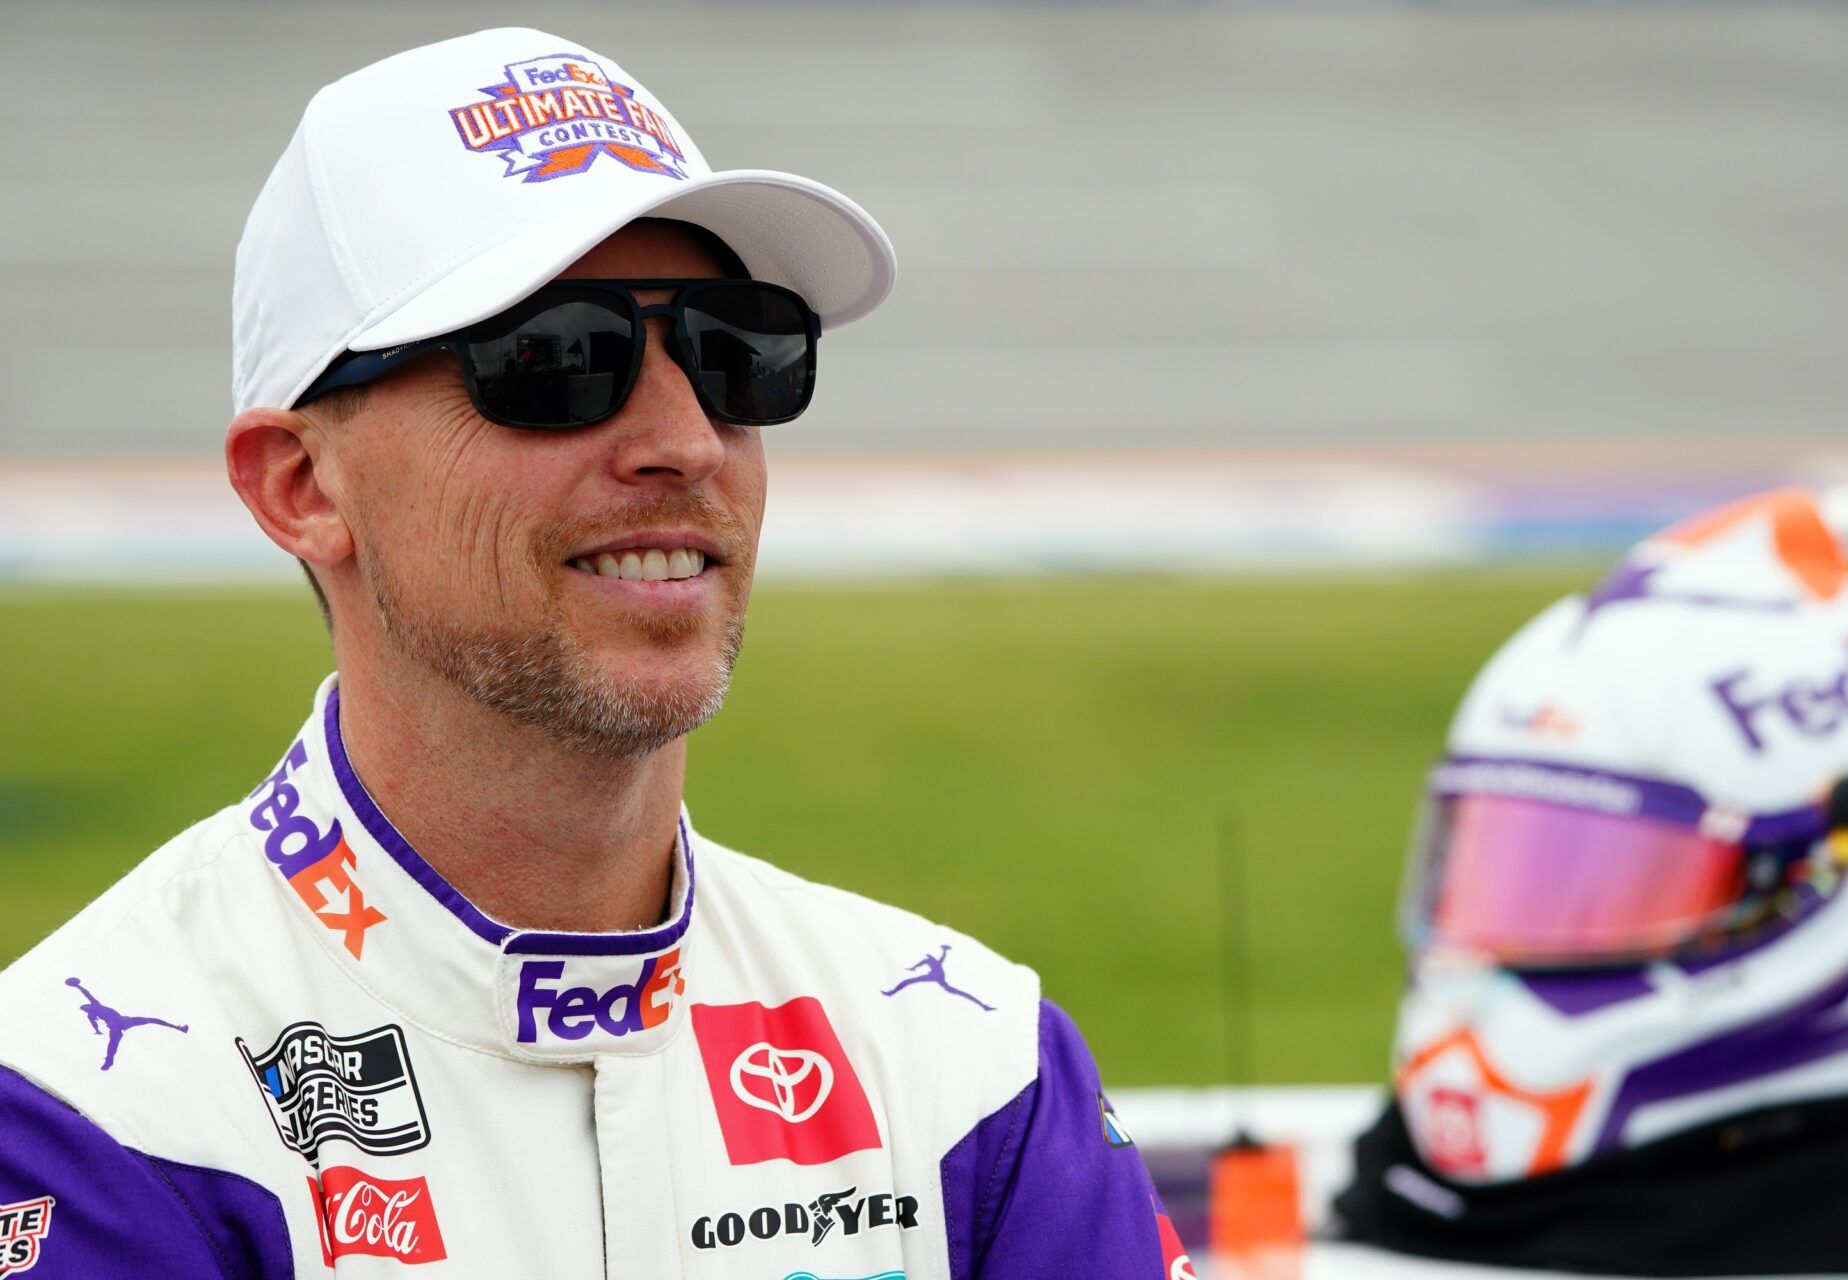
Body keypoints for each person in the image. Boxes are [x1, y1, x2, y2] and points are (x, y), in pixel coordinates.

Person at [0, 28, 1189, 1279]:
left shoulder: (974, 1071)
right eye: (558, 357)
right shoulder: (91, 1116)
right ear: (300, 485)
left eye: (740, 348)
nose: (686, 437)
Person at [1334, 488, 1848, 1274]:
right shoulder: (1403, 1191)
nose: (1518, 938)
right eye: (1509, 867)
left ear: (1833, 877)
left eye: (1640, 883)